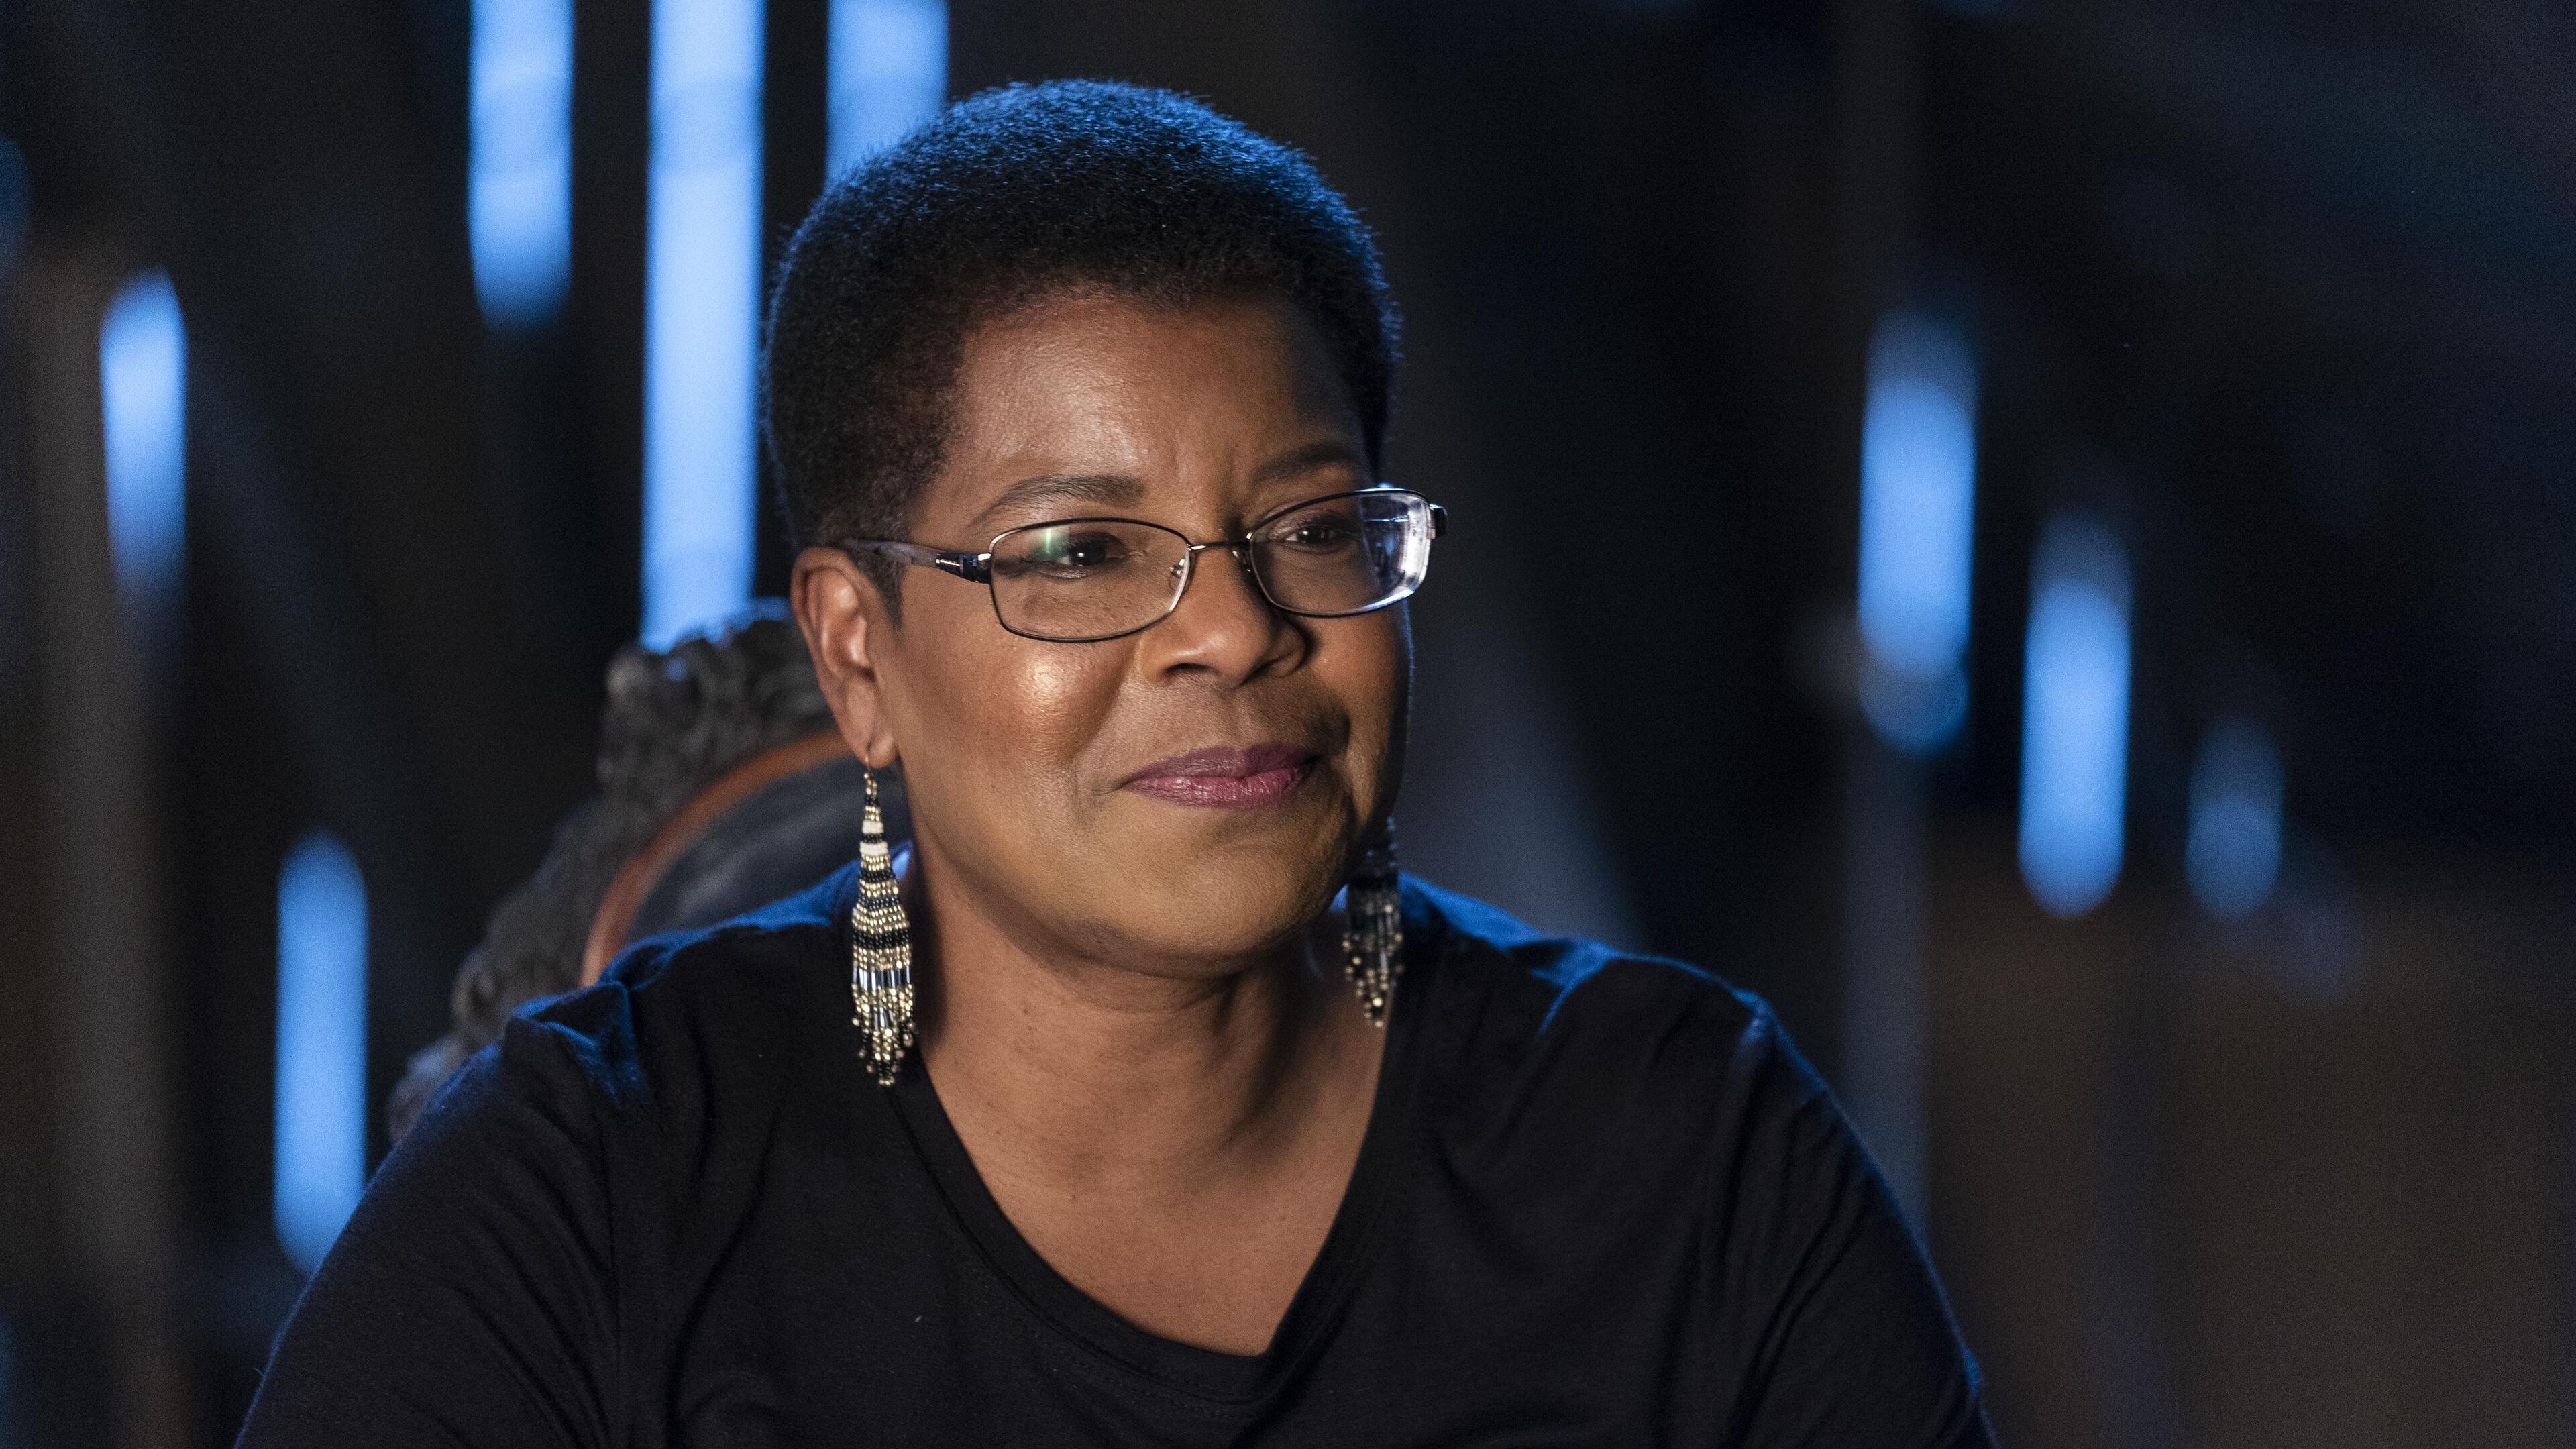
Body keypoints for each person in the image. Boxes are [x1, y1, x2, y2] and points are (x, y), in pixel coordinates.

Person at [237, 80, 1992, 1447]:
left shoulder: (1690, 1157)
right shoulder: (591, 1192)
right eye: (1079, 551)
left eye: (1311, 529)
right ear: (858, 655)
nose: (1233, 631)